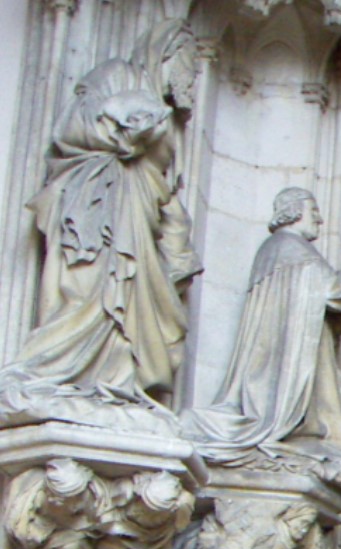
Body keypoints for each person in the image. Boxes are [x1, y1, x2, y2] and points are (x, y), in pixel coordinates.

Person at [1, 19, 200, 412]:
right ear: (166, 56)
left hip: (139, 218)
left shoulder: (167, 115)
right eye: (187, 65)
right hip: (98, 203)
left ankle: (113, 381)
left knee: (129, 302)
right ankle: (53, 374)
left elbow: (163, 188)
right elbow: (73, 129)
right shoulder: (115, 76)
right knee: (88, 290)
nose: (190, 78)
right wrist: (131, 128)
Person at [180, 188, 341, 490]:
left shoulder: (273, 250)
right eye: (313, 209)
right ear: (294, 211)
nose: (319, 218)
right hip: (287, 367)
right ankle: (286, 433)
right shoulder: (294, 250)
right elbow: (337, 294)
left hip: (279, 358)